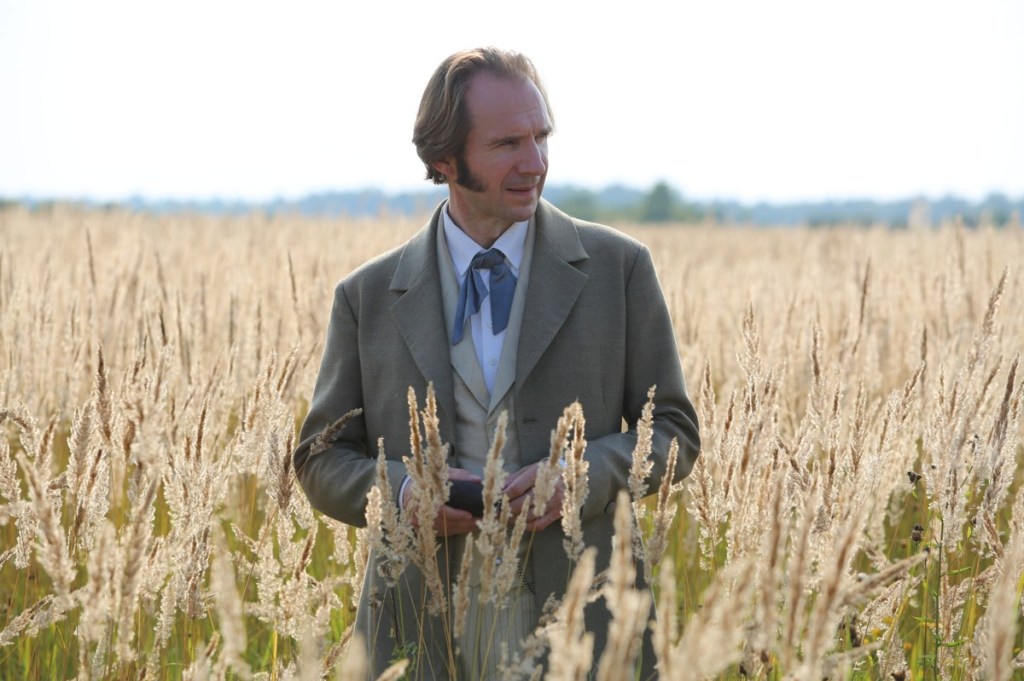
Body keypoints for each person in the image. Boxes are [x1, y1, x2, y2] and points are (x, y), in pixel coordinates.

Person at [293, 47, 700, 680]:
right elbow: (320, 458)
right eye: (508, 143)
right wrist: (403, 493)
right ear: (444, 159)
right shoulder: (365, 296)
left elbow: (675, 431)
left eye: (542, 137)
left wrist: (581, 475)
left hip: (587, 627)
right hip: (419, 631)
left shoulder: (619, 269)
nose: (534, 162)